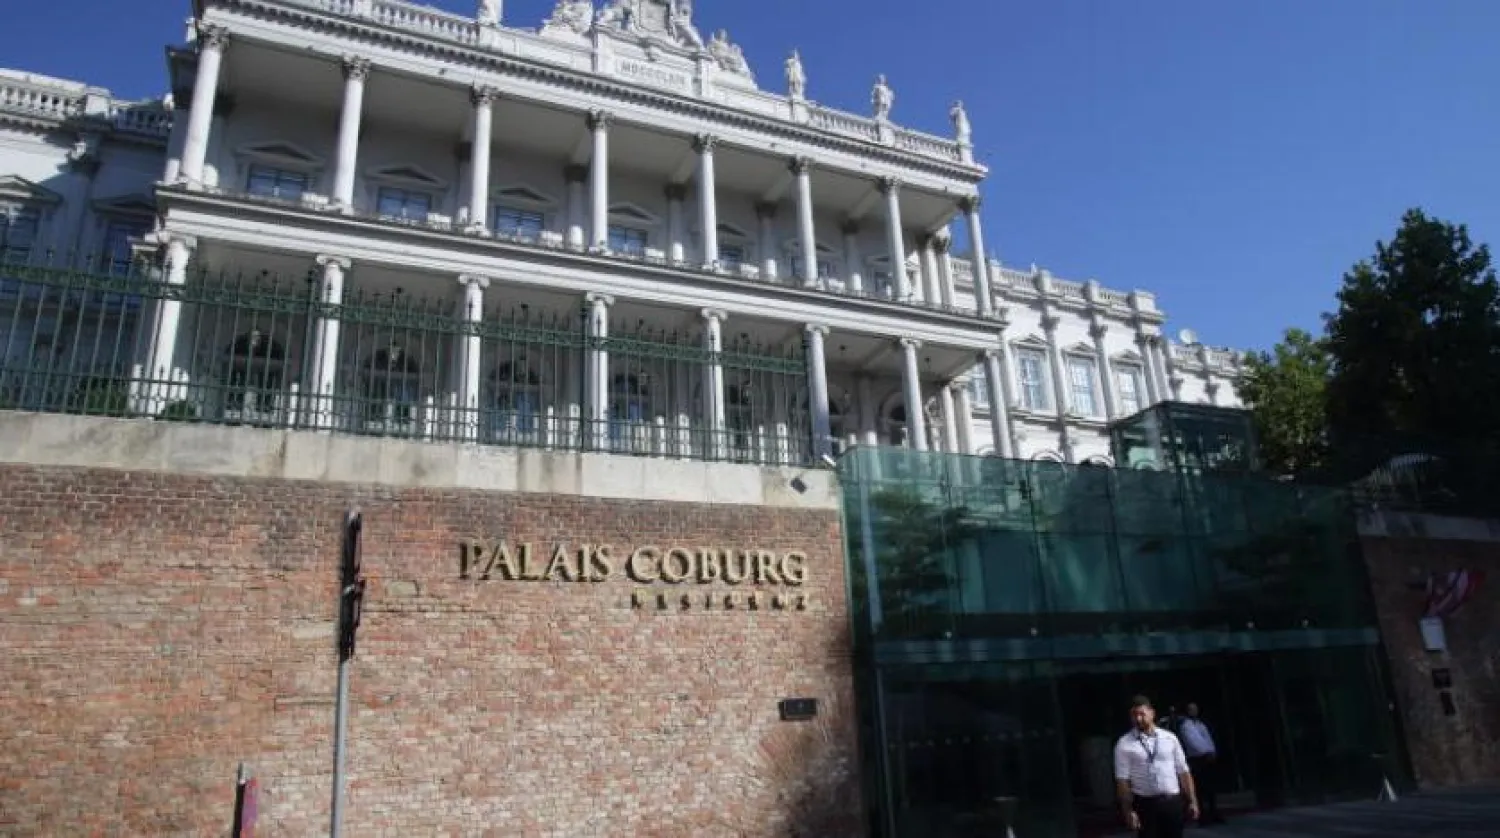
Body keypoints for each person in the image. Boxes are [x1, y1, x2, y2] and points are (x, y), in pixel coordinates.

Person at [1114, 695, 1198, 838]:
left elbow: (1183, 771)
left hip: (1172, 801)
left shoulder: (1169, 738)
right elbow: (1123, 781)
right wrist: (1128, 811)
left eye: (1142, 714)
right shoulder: (1124, 744)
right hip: (1145, 804)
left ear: (1152, 713)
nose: (1138, 719)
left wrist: (1192, 800)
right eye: (1134, 715)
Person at [1178, 702, 1224, 824]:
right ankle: (1202, 816)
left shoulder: (1200, 724)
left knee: (1211, 788)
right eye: (1191, 709)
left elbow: (1208, 739)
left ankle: (1214, 812)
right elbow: (1193, 742)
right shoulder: (1186, 726)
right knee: (1200, 788)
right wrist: (1205, 752)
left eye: (1195, 709)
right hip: (1197, 759)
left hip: (1208, 758)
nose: (1194, 711)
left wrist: (1212, 751)